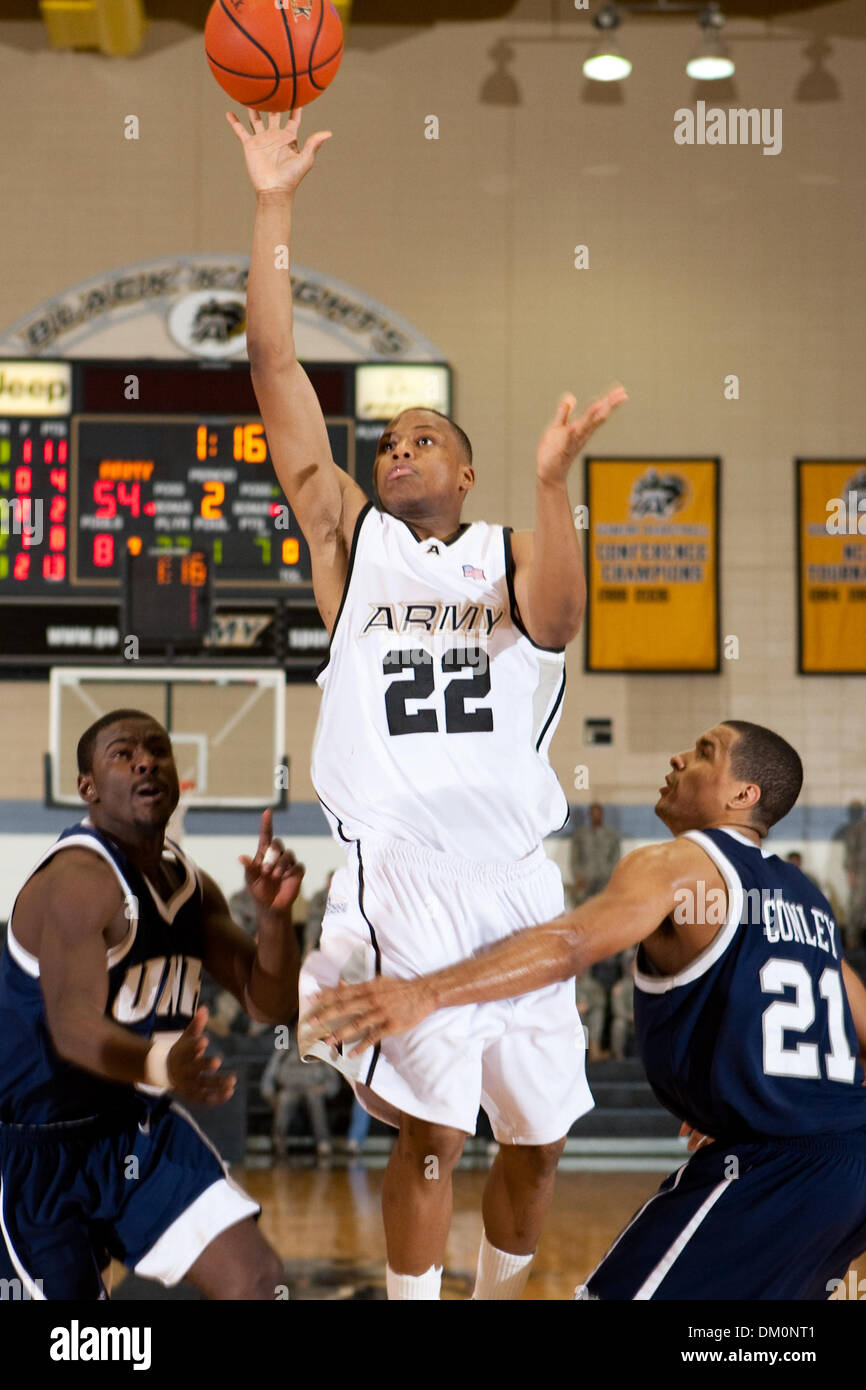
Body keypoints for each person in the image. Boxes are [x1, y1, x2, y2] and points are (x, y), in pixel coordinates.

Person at [227, 104, 627, 1300]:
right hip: (400, 870)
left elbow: (555, 621)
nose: (394, 451)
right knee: (433, 1133)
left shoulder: (509, 547)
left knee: (540, 1138)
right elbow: (274, 367)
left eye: (422, 440)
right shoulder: (354, 548)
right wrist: (272, 203)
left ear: (465, 472)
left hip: (514, 872)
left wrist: (556, 486)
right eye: (387, 439)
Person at [305, 720, 866, 1300]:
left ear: (742, 796)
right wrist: (760, 1095)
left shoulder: (674, 865)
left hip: (767, 1173)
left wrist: (425, 992)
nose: (677, 758)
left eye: (704, 753)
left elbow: (571, 944)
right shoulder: (805, 897)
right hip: (849, 1171)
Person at [0, 709, 303, 1301]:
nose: (145, 760)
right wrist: (161, 1065)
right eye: (122, 753)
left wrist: (274, 920)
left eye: (157, 750)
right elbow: (72, 1027)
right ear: (87, 787)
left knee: (257, 1281)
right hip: (34, 1151)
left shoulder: (193, 888)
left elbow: (271, 1003)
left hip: (136, 1134)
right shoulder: (76, 881)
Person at [570, 802, 621, 906]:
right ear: (589, 815)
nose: (595, 816)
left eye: (598, 813)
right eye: (593, 813)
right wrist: (578, 876)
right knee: (582, 907)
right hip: (586, 877)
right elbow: (574, 858)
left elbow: (616, 856)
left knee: (606, 907)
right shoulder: (580, 834)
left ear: (602, 814)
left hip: (605, 878)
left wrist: (612, 875)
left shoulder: (611, 834)